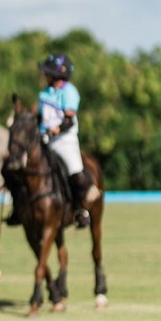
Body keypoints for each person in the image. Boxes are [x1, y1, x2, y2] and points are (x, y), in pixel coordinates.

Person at [35, 53, 98, 228]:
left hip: (65, 141)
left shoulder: (70, 92)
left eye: (48, 72)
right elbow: (39, 118)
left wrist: (53, 132)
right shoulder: (44, 94)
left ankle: (81, 210)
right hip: (44, 141)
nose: (45, 75)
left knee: (76, 174)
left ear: (58, 74)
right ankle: (20, 209)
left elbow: (68, 121)